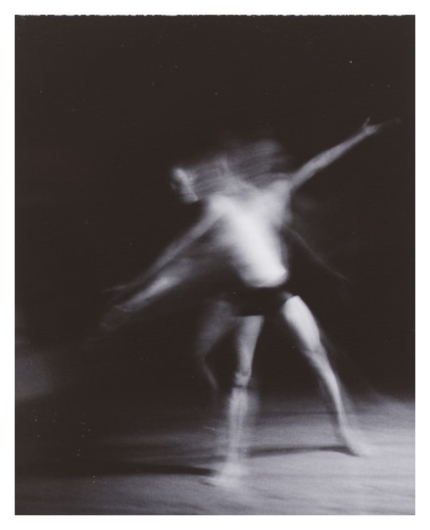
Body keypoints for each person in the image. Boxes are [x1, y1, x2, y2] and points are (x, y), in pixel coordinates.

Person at [95, 118, 394, 484]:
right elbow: (176, 253)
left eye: (180, 182)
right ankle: (231, 462)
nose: (176, 190)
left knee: (317, 360)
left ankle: (348, 436)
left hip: (277, 290)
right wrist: (133, 289)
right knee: (239, 377)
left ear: (200, 178)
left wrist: (357, 136)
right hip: (246, 296)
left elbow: (314, 165)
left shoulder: (252, 198)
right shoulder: (216, 209)